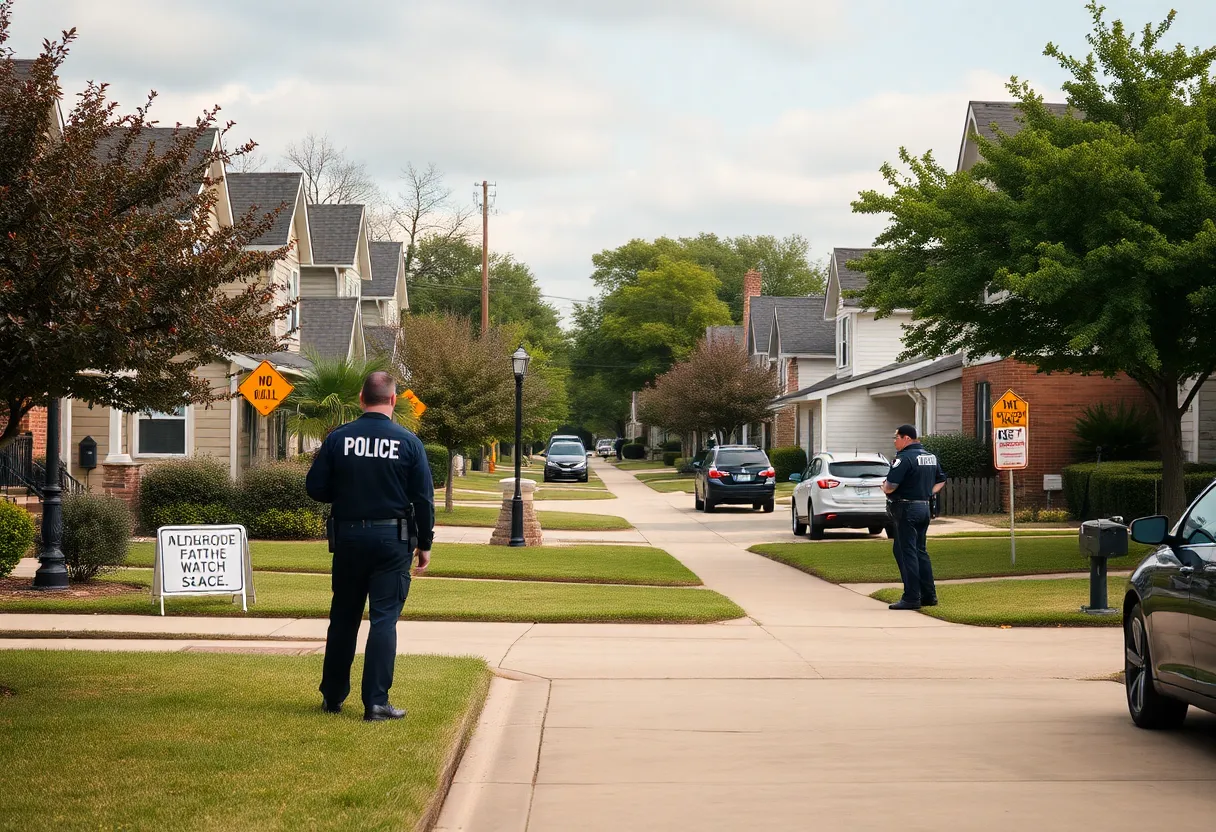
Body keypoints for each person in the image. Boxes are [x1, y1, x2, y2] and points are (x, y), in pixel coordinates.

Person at [305, 371, 435, 721]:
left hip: (348, 539)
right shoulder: (408, 443)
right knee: (383, 620)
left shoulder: (339, 439)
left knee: (344, 618)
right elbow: (423, 499)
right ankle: (376, 703)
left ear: (361, 399)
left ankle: (333, 696)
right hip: (392, 542)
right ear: (393, 400)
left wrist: (346, 491)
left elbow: (315, 487)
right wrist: (425, 543)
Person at [881, 424, 946, 611]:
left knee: (905, 551)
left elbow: (890, 486)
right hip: (923, 507)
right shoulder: (930, 457)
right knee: (920, 551)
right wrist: (927, 492)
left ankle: (911, 597)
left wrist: (884, 488)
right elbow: (941, 480)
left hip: (906, 508)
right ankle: (929, 595)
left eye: (897, 437)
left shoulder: (904, 458)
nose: (895, 441)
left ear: (907, 438)